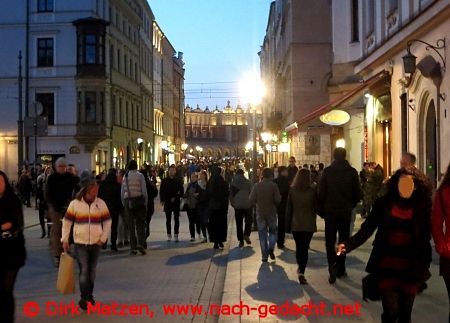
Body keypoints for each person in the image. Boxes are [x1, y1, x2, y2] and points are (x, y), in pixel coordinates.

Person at [337, 167, 432, 323]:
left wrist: (425, 264)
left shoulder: (422, 206)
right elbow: (367, 229)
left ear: (416, 186)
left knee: (405, 313)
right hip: (386, 265)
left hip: (411, 266)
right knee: (391, 311)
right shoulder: (384, 203)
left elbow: (425, 237)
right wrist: (347, 245)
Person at [61, 172, 111, 310]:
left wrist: (103, 238)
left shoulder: (100, 204)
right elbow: (67, 222)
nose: (97, 188)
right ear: (86, 188)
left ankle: (89, 295)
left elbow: (107, 221)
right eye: (93, 185)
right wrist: (64, 239)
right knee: (84, 270)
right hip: (80, 242)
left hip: (96, 242)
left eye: (96, 185)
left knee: (92, 271)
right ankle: (86, 297)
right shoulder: (75, 204)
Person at [318, 148, 361, 284]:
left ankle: (332, 264)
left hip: (330, 212)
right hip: (344, 211)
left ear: (334, 156)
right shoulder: (352, 172)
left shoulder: (327, 172)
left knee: (330, 241)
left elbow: (321, 192)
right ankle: (341, 266)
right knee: (343, 240)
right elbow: (358, 193)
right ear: (345, 156)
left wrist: (322, 210)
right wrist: (350, 205)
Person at [0, 171, 26, 323]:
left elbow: (13, 223)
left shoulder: (12, 200)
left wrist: (5, 226)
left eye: (1, 182)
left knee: (6, 290)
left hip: (11, 251)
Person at [45, 158, 79, 267]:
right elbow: (48, 194)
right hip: (55, 207)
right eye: (60, 166)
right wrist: (53, 206)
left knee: (68, 229)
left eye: (64, 166)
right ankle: (57, 254)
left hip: (67, 206)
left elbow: (77, 183)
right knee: (57, 230)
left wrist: (73, 173)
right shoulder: (52, 178)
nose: (63, 168)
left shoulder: (69, 177)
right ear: (56, 167)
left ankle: (66, 249)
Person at [286, 168, 317, 284]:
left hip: (296, 223)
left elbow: (289, 209)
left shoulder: (292, 191)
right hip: (309, 223)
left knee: (299, 247)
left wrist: (287, 226)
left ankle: (300, 270)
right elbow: (316, 206)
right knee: (305, 247)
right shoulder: (312, 191)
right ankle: (302, 270)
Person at [249, 168, 281, 262]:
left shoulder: (256, 186)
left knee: (262, 234)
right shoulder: (274, 186)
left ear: (262, 175)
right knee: (273, 231)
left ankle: (264, 256)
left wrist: (257, 202)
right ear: (271, 175)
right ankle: (271, 247)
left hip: (260, 213)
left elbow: (251, 200)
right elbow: (278, 199)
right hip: (271, 212)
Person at [431, 162, 450, 322]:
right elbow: (436, 222)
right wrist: (441, 245)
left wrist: (441, 245)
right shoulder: (444, 193)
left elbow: (436, 223)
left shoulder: (443, 192)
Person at [121, 160, 148, 255]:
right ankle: (141, 243)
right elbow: (144, 190)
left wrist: (124, 203)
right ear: (136, 166)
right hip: (139, 201)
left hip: (128, 201)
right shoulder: (140, 176)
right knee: (140, 224)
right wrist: (145, 202)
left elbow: (122, 191)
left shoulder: (125, 176)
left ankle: (133, 248)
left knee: (131, 226)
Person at [98, 168, 122, 252]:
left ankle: (104, 243)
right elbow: (119, 198)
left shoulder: (102, 184)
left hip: (104, 209)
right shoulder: (117, 185)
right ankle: (113, 244)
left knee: (104, 226)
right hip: (114, 209)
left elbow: (99, 196)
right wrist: (120, 208)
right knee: (114, 227)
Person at [206, 166, 230, 249]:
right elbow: (227, 195)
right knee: (221, 224)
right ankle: (221, 240)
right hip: (221, 207)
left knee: (213, 224)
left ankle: (215, 241)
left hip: (212, 207)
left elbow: (207, 195)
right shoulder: (224, 182)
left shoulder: (210, 183)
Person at [160, 165, 184, 242]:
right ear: (168, 171)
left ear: (175, 171)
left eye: (173, 170)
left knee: (176, 219)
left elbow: (181, 191)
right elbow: (162, 191)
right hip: (167, 201)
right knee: (168, 219)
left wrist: (176, 196)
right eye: (170, 170)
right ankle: (169, 234)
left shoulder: (178, 180)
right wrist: (162, 200)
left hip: (176, 202)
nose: (171, 172)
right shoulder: (164, 180)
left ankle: (176, 235)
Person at [230, 168, 252, 248]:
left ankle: (241, 240)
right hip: (247, 204)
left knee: (239, 223)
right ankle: (246, 234)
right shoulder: (248, 182)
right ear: (243, 174)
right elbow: (251, 193)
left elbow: (231, 195)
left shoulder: (233, 183)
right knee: (248, 220)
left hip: (237, 205)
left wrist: (233, 203)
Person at [140, 166, 158, 243]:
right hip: (149, 206)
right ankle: (144, 238)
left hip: (140, 206)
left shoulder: (139, 184)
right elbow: (155, 192)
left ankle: (141, 239)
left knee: (140, 223)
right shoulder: (150, 184)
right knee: (147, 222)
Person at [273, 166, 290, 249]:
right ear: (282, 172)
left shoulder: (275, 181)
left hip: (276, 204)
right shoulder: (287, 181)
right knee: (281, 224)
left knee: (276, 224)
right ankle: (280, 241)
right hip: (284, 205)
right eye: (286, 171)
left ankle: (277, 240)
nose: (287, 173)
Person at [185, 173, 200, 241]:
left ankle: (199, 233)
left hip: (196, 206)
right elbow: (185, 194)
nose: (192, 178)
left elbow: (201, 195)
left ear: (197, 178)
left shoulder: (198, 185)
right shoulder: (189, 185)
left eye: (194, 177)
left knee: (197, 221)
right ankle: (192, 236)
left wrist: (197, 195)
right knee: (191, 222)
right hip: (189, 205)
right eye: (191, 177)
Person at [196, 170, 209, 242]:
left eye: (202, 174)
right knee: (201, 221)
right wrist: (196, 195)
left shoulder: (208, 183)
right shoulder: (198, 184)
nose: (200, 176)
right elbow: (195, 192)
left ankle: (209, 234)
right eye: (200, 175)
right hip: (200, 204)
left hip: (207, 204)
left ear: (205, 175)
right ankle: (205, 236)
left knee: (206, 221)